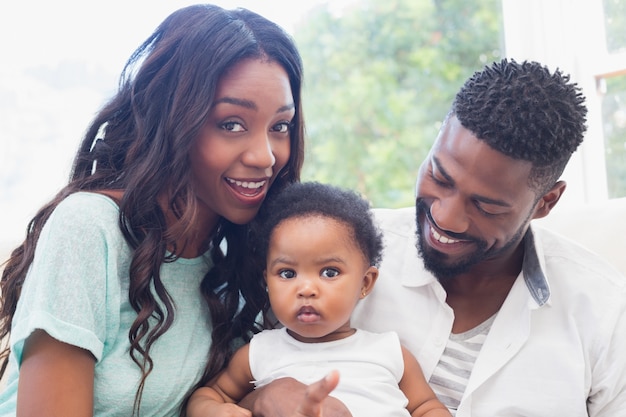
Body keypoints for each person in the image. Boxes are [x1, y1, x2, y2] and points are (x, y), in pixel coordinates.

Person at [247, 59, 626, 417]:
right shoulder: (341, 249)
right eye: (440, 176)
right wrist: (265, 395)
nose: (445, 217)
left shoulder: (604, 311)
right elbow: (247, 370)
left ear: (546, 202)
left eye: (486, 205)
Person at [0, 4, 308, 417]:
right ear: (174, 122)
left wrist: (266, 400)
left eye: (280, 126)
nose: (265, 156)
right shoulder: (90, 229)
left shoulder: (242, 273)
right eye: (231, 124)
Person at [186, 182, 452, 417]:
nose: (306, 289)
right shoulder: (259, 352)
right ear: (267, 280)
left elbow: (426, 406)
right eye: (287, 273)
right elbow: (208, 396)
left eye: (329, 272)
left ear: (365, 283)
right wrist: (216, 410)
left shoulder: (389, 352)